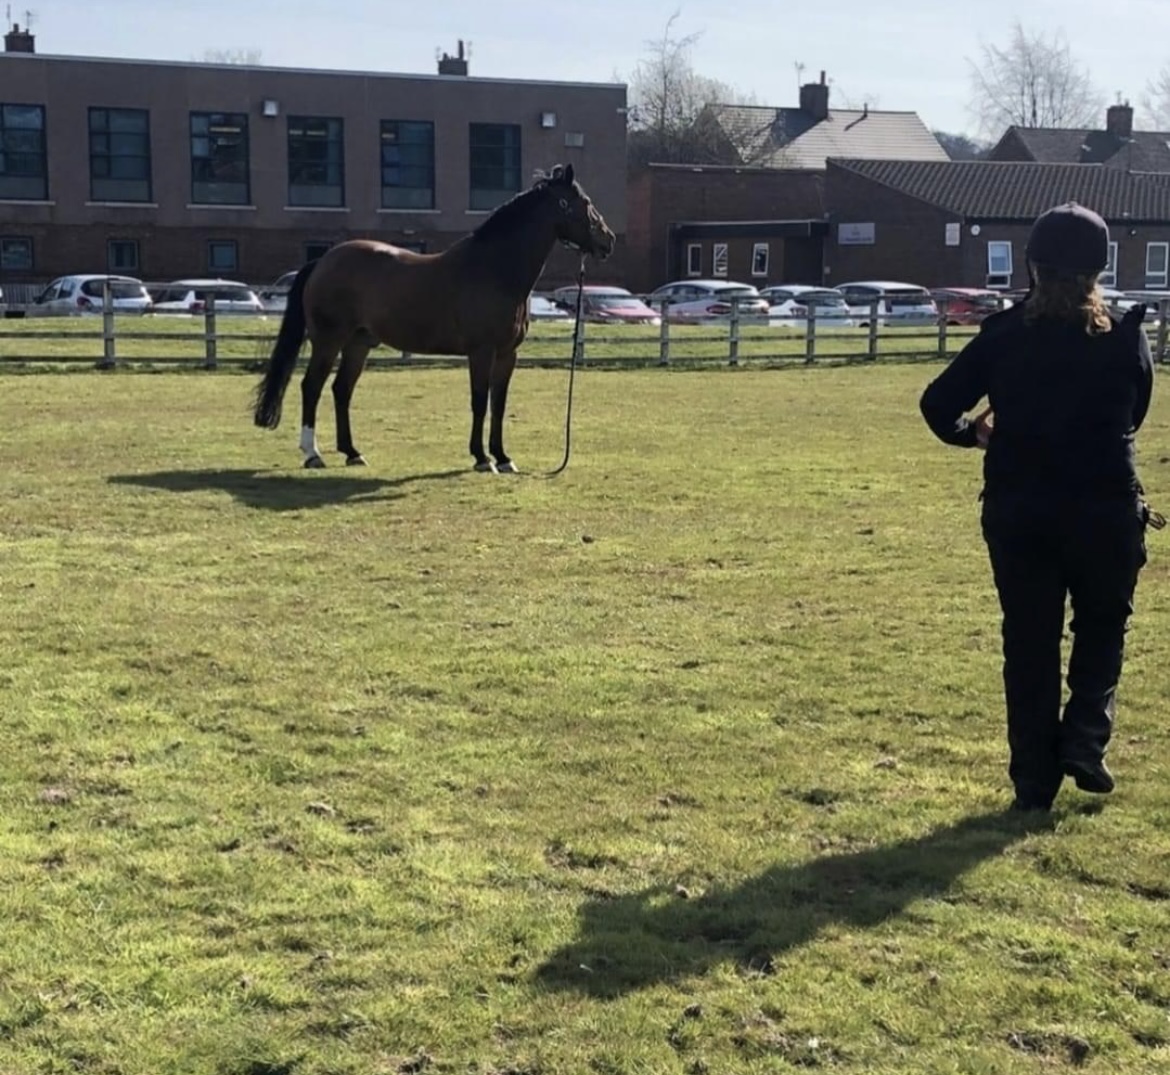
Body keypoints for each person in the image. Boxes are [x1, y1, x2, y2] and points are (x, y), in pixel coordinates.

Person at [919, 202, 1157, 813]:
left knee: (1028, 642)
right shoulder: (1126, 337)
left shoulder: (1002, 336)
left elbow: (937, 403)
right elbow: (1135, 415)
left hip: (1022, 508)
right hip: (1103, 506)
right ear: (1097, 269)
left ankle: (1033, 781)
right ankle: (1084, 735)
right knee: (1102, 627)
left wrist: (973, 432)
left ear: (1032, 264)